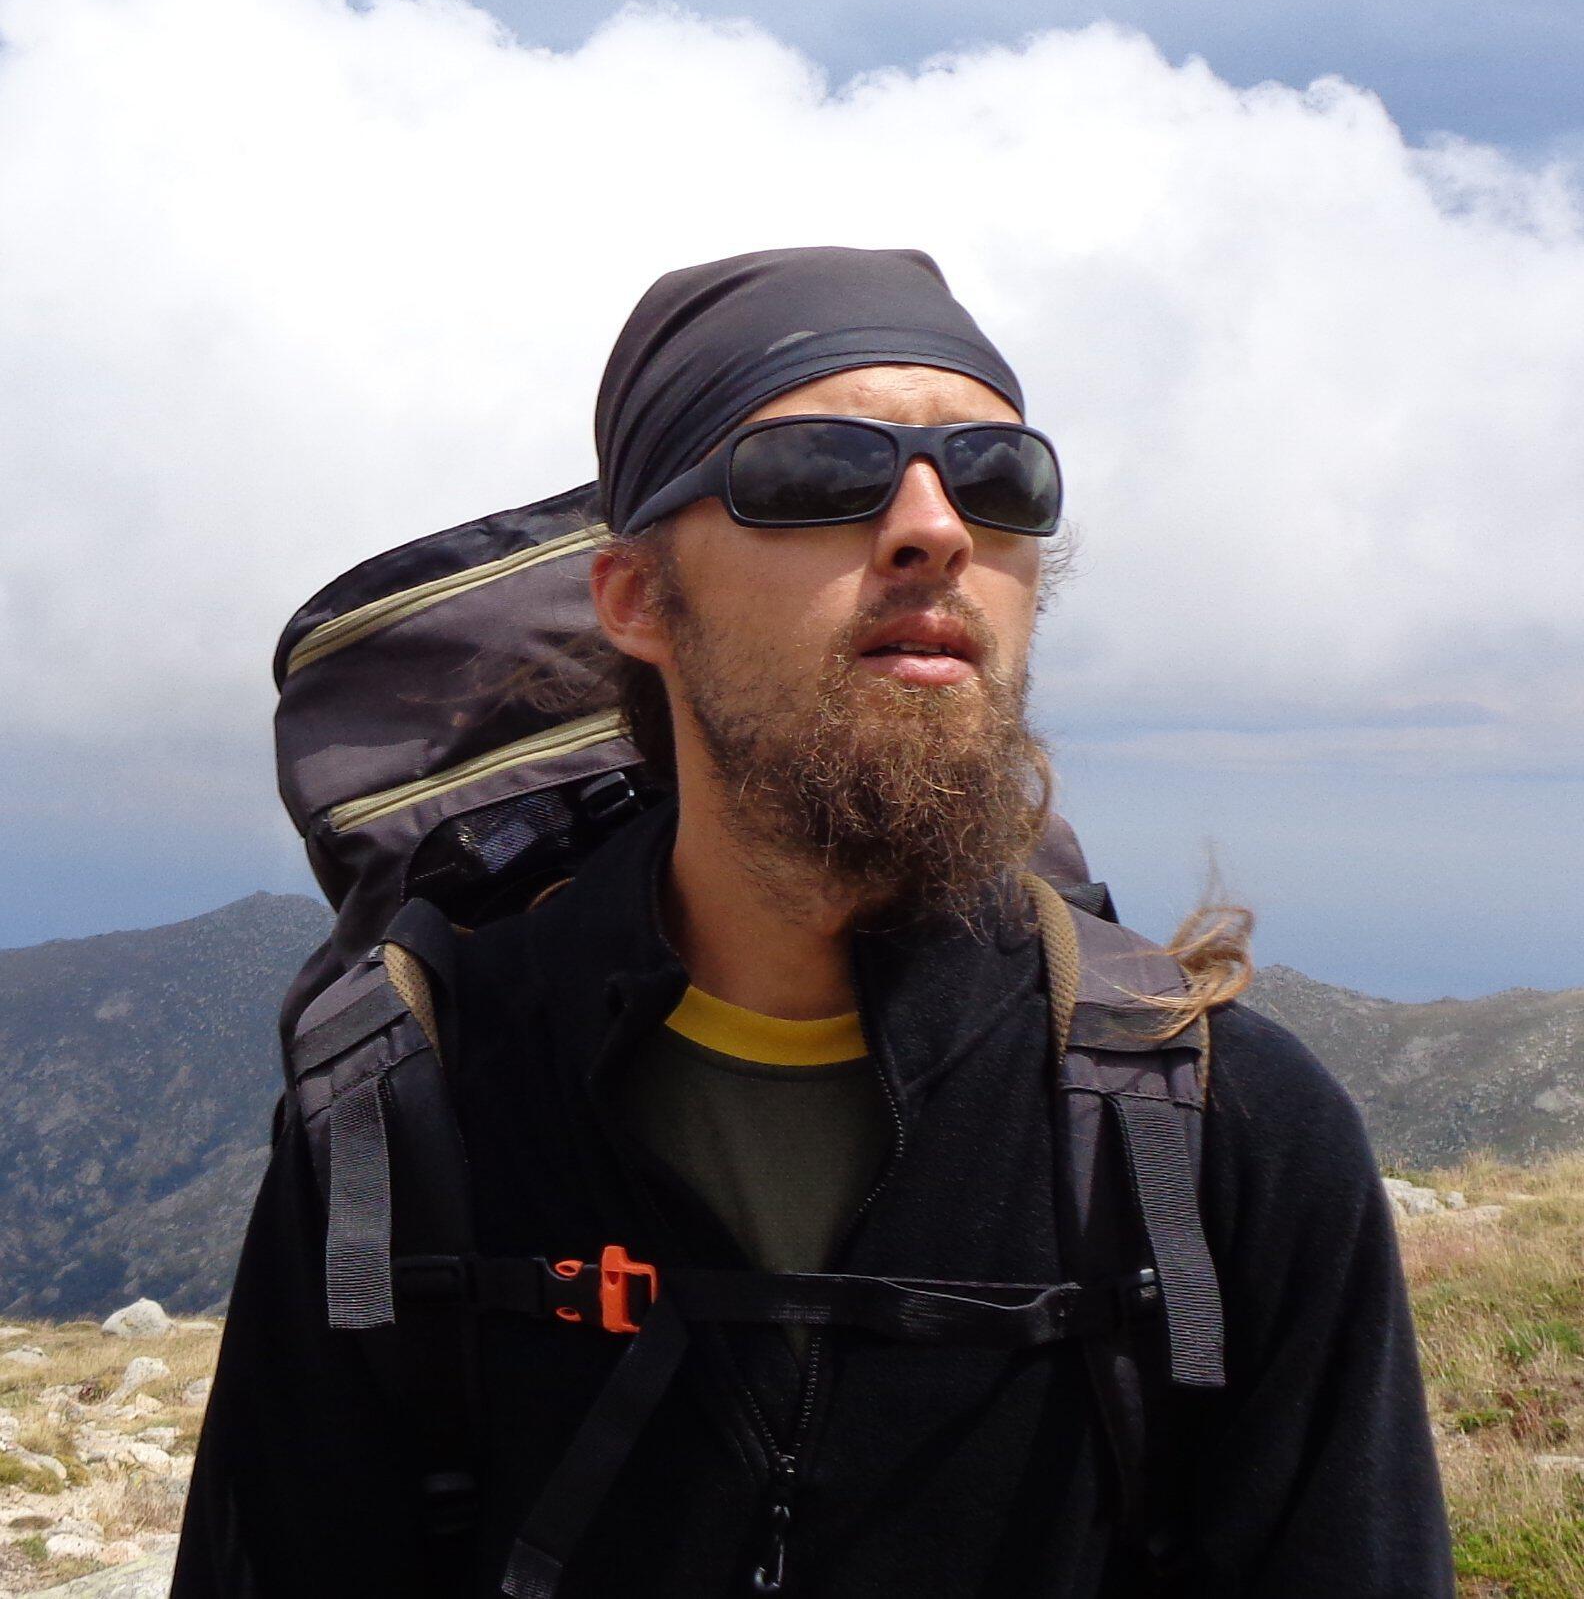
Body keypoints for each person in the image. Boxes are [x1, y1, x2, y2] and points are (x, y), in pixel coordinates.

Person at [173, 246, 1455, 1597]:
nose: (934, 526)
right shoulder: (406, 1114)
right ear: (637, 601)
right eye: (814, 474)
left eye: (1000, 476)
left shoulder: (1225, 1136)